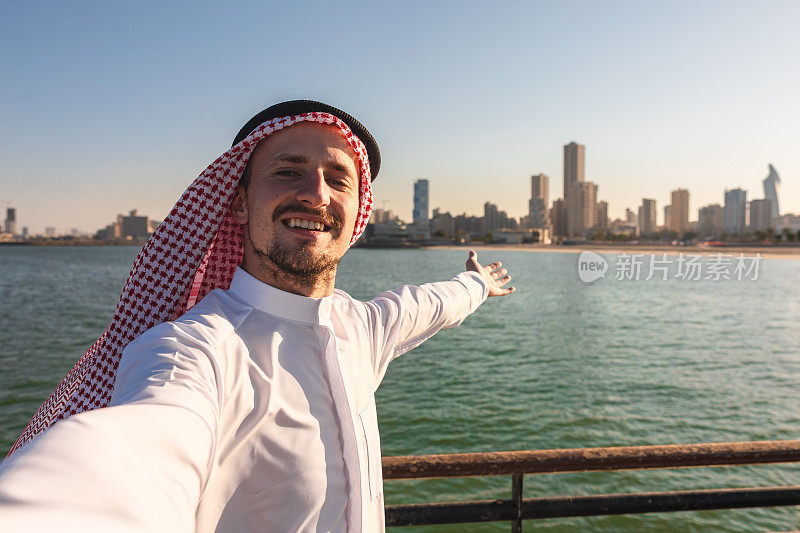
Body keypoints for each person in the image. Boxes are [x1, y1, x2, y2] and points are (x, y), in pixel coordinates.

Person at [0, 100, 514, 532]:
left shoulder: (362, 326)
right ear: (240, 203)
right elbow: (130, 458)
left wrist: (478, 283)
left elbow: (431, 304)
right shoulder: (194, 351)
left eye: (338, 179)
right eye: (287, 172)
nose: (315, 194)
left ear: (357, 214)